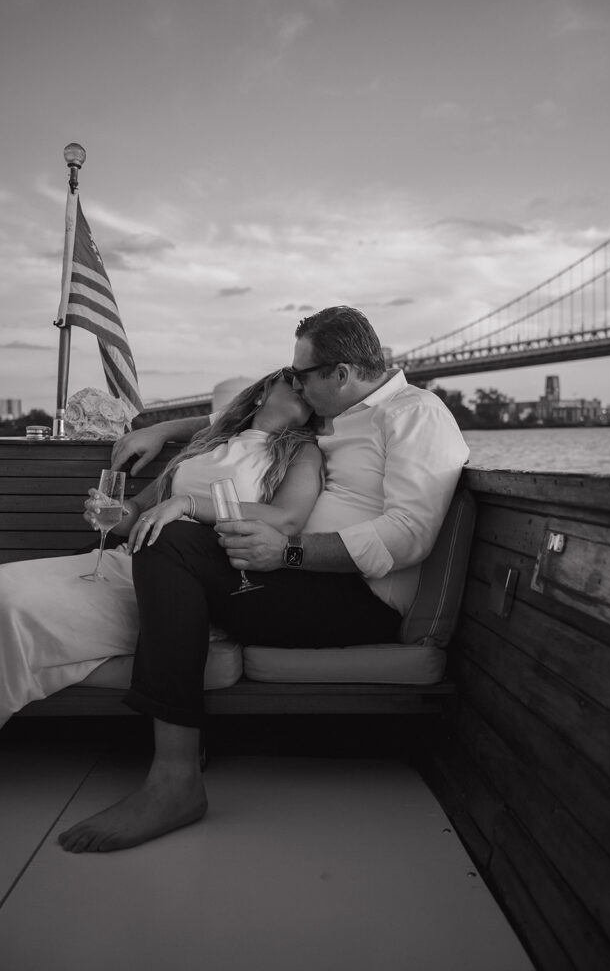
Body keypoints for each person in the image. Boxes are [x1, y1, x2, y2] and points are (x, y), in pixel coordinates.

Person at [58, 306, 470, 853]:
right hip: (283, 571)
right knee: (169, 538)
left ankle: (175, 781)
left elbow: (408, 535)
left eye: (301, 375)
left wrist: (288, 553)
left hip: (352, 597)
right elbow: (246, 418)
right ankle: (177, 758)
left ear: (340, 374)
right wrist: (163, 428)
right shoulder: (336, 413)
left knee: (174, 542)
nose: (293, 382)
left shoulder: (416, 414)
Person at [0, 371, 322, 729]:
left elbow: (287, 519)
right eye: (290, 379)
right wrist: (112, 512)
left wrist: (187, 503)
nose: (301, 386)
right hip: (127, 556)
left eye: (305, 383)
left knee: (15, 607)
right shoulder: (207, 444)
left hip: (183, 584)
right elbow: (138, 510)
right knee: (3, 583)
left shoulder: (303, 452)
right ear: (263, 393)